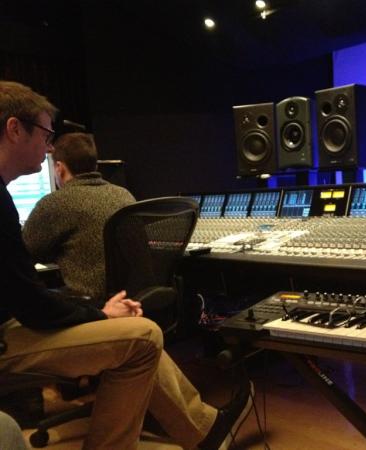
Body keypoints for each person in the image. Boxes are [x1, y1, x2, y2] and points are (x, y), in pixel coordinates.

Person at [0, 80, 252, 450]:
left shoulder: (43, 203)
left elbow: (26, 283)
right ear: (14, 129)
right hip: (10, 332)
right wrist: (101, 313)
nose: (49, 147)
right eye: (45, 134)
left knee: (140, 335)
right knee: (143, 336)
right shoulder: (122, 193)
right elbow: (30, 300)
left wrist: (97, 311)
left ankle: (206, 429)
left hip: (20, 319)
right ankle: (204, 430)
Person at [22, 132, 136, 302]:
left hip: (89, 306)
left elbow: (22, 255)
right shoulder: (124, 195)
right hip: (130, 300)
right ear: (95, 165)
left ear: (59, 168)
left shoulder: (55, 203)